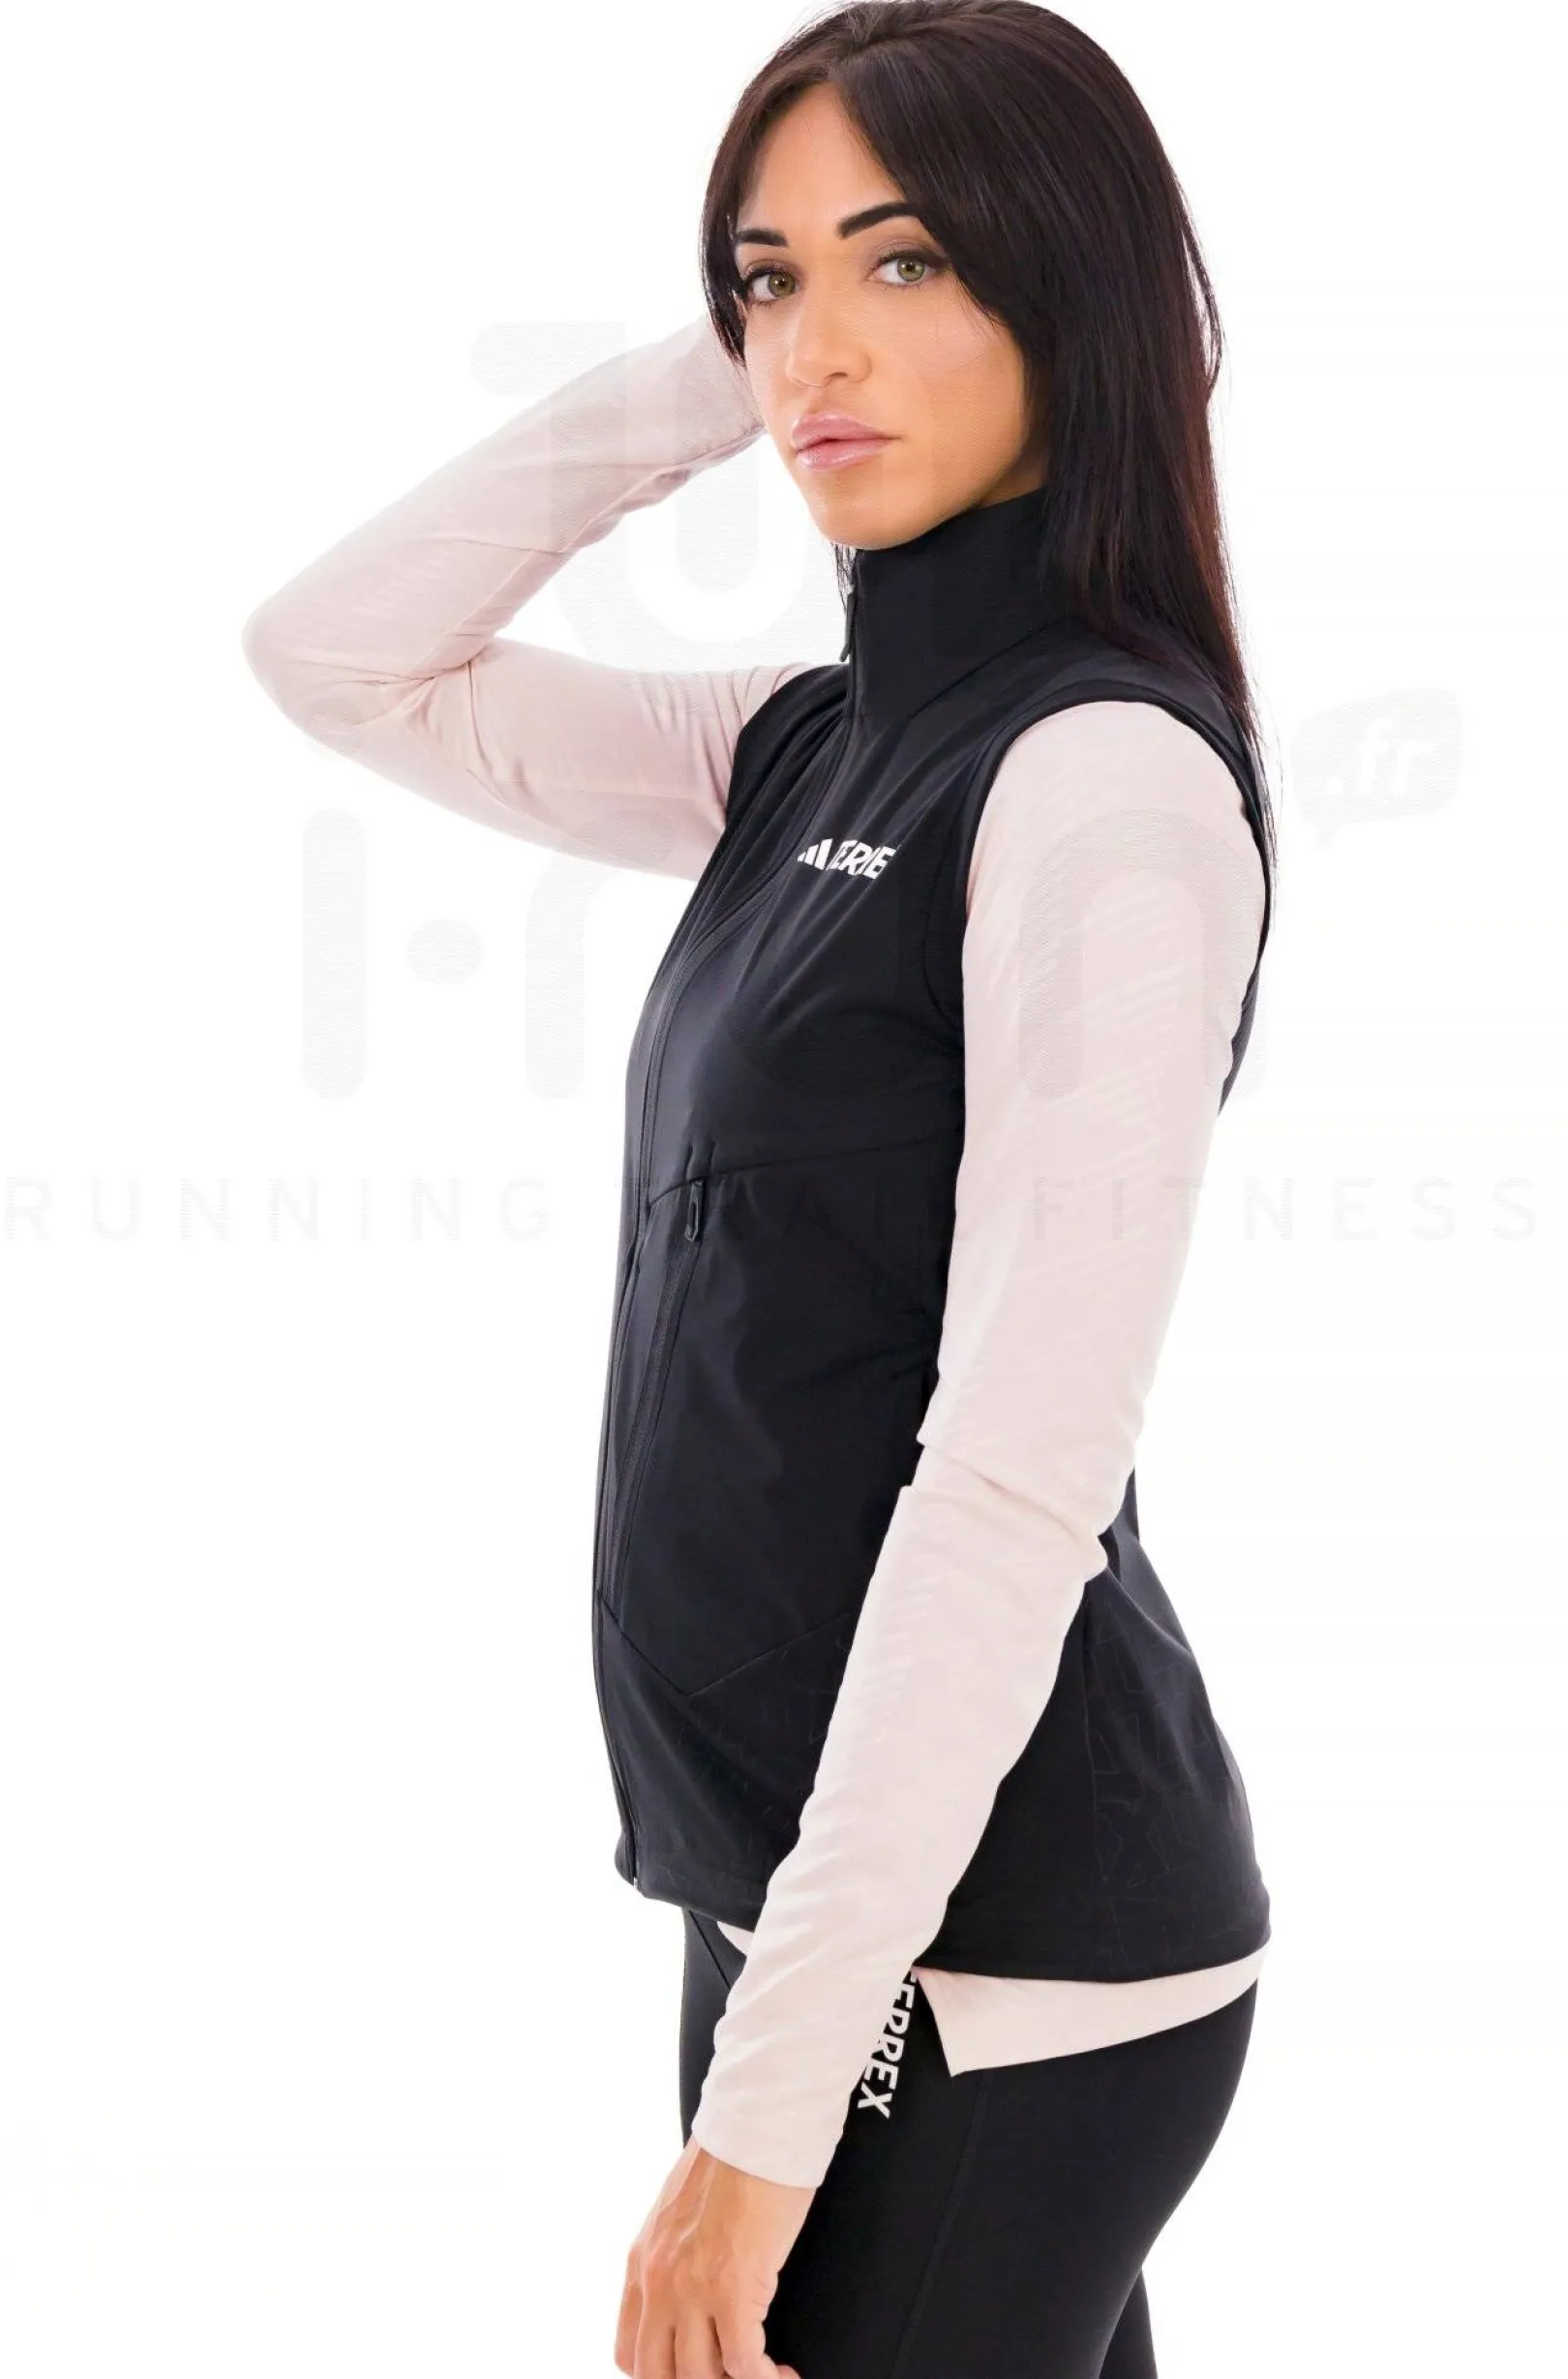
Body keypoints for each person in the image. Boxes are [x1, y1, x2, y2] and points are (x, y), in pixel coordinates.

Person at [241, 6, 1281, 2372]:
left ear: (1073, 293)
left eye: (903, 263)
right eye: (767, 276)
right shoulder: (800, 745)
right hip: (812, 1900)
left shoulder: (1100, 784)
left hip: (999, 1958)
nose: (817, 347)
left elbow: (1011, 1478)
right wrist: (711, 378)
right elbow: (338, 656)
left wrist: (764, 2116)